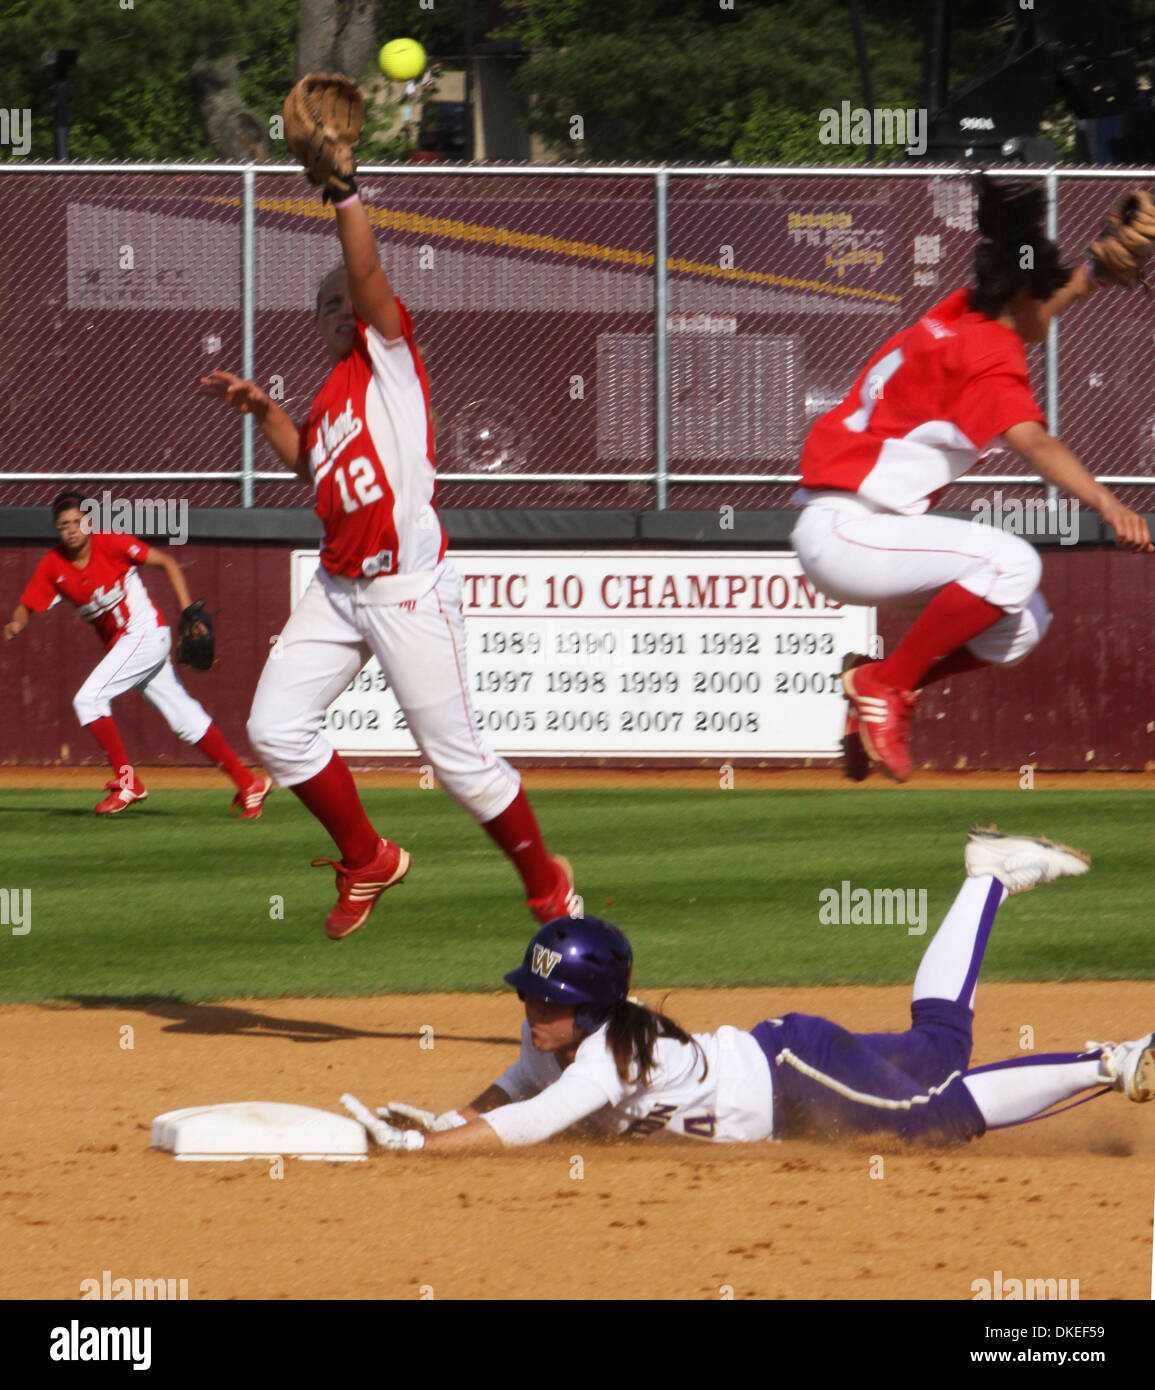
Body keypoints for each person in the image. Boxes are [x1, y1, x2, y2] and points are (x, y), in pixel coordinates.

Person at [199, 177, 580, 941]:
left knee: (461, 766)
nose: (344, 308)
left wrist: (345, 196)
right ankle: (367, 857)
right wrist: (265, 410)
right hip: (337, 588)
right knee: (275, 729)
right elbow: (310, 464)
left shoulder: (389, 362)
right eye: (327, 305)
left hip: (408, 590)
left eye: (350, 299)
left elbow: (367, 276)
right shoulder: (331, 395)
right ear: (314, 326)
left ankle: (547, 889)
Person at [355, 827, 1153, 1154]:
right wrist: (437, 1122)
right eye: (529, 998)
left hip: (789, 1075)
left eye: (546, 1001)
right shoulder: (552, 1040)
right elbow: (503, 1099)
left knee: (930, 1120)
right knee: (940, 1049)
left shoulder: (605, 1057)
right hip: (785, 1059)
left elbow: (530, 1124)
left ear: (590, 1009)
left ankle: (1110, 1062)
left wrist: (426, 1152)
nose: (530, 1014)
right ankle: (988, 877)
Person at [791, 175, 1153, 782]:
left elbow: (1031, 298)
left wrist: (1090, 272)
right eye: (1042, 299)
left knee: (1023, 621)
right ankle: (886, 685)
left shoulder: (959, 316)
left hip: (869, 537)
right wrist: (1108, 504)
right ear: (1022, 300)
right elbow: (1034, 440)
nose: (1048, 316)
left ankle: (872, 681)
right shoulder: (990, 358)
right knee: (1013, 565)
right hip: (846, 532)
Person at [3, 491, 271, 818]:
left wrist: (187, 609)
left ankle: (128, 781)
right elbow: (27, 605)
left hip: (145, 634)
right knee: (183, 718)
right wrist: (16, 624)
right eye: (63, 525)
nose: (71, 529)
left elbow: (166, 562)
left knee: (88, 699)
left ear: (89, 522)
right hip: (129, 646)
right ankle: (248, 782)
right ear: (57, 530)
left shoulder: (111, 543)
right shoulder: (53, 564)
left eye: (77, 521)